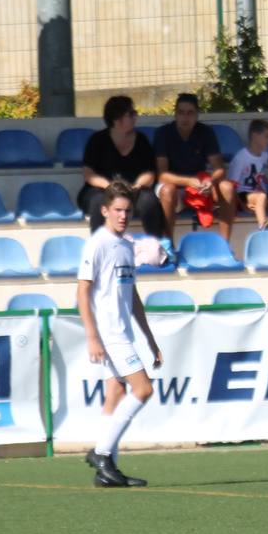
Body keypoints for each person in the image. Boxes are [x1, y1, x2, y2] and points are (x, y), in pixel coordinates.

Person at [77, 184, 164, 489]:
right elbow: (82, 291)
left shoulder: (127, 245)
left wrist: (150, 339)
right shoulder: (98, 244)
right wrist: (92, 336)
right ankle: (102, 454)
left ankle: (106, 472)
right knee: (143, 390)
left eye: (127, 210)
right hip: (109, 334)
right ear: (104, 211)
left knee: (115, 394)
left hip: (122, 332)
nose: (123, 215)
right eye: (117, 210)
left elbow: (133, 296)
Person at [76, 94, 164, 236]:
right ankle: (101, 248)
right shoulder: (97, 140)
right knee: (99, 201)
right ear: (117, 119)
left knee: (149, 200)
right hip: (102, 190)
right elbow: (89, 174)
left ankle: (155, 245)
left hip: (133, 191)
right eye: (131, 113)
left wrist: (137, 186)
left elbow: (150, 173)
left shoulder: (141, 140)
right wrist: (109, 187)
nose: (135, 116)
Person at [153, 93, 233, 239]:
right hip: (173, 188)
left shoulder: (205, 132)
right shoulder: (163, 134)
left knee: (227, 187)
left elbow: (219, 168)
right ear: (175, 114)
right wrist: (188, 182)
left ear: (197, 115)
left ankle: (225, 246)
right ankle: (168, 247)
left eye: (190, 113)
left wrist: (210, 181)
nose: (185, 118)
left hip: (200, 189)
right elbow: (162, 175)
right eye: (181, 113)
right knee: (168, 190)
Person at [225, 118, 268, 231]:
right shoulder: (241, 158)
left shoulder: (265, 156)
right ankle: (262, 228)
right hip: (243, 196)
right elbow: (231, 186)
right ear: (255, 135)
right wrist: (241, 206)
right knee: (261, 197)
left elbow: (260, 177)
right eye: (266, 136)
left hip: (258, 194)